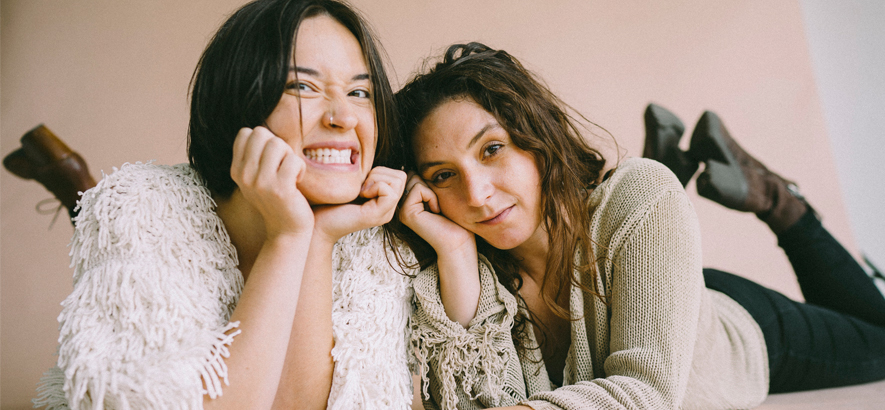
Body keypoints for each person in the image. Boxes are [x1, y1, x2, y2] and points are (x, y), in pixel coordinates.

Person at [394, 42, 885, 409]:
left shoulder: (638, 196)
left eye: (492, 149)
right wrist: (455, 252)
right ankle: (673, 172)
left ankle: (777, 198)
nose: (476, 195)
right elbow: (473, 397)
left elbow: (647, 393)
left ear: (535, 136)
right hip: (649, 278)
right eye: (444, 175)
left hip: (738, 328)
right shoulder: (470, 273)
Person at [31, 1, 415, 409]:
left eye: (360, 92)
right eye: (303, 86)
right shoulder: (139, 205)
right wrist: (287, 238)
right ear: (240, 99)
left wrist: (317, 239)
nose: (344, 117)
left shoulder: (374, 246)